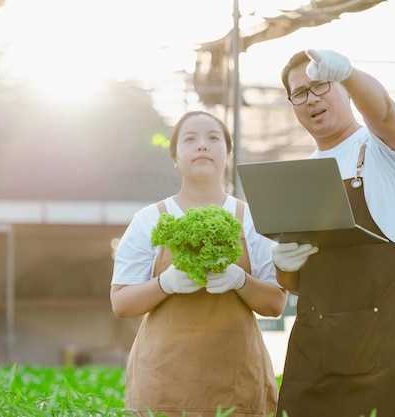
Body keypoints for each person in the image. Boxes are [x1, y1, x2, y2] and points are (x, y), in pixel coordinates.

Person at [272, 50, 395, 417]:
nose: (311, 98)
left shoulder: (386, 149)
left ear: (345, 90)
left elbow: (385, 111)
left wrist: (349, 73)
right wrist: (282, 263)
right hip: (318, 342)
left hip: (391, 336)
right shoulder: (302, 178)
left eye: (320, 85)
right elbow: (297, 283)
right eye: (299, 93)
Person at [110, 111, 286, 417]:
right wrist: (164, 284)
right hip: (163, 384)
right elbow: (121, 302)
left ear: (227, 154)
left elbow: (275, 303)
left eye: (213, 138)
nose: (202, 145)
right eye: (190, 139)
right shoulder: (148, 220)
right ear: (175, 157)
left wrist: (241, 280)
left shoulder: (253, 219)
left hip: (237, 383)